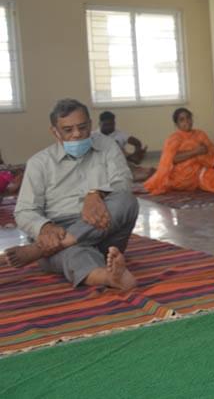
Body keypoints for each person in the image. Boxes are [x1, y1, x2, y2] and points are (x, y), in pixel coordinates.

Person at [3, 99, 138, 290]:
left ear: (90, 125)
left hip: (102, 225)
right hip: (56, 231)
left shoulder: (107, 146)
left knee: (127, 201)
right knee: (74, 253)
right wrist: (45, 228)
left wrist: (96, 193)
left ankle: (43, 249)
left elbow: (123, 181)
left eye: (82, 127)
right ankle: (110, 277)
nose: (77, 134)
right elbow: (24, 211)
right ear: (55, 132)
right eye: (68, 130)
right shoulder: (39, 163)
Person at [144, 108, 214, 195]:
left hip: (200, 171)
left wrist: (205, 153)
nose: (186, 121)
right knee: (198, 154)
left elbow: (211, 152)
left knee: (208, 175)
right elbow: (172, 159)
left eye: (188, 118)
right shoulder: (174, 138)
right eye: (182, 120)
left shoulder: (200, 134)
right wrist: (195, 152)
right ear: (177, 124)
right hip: (181, 177)